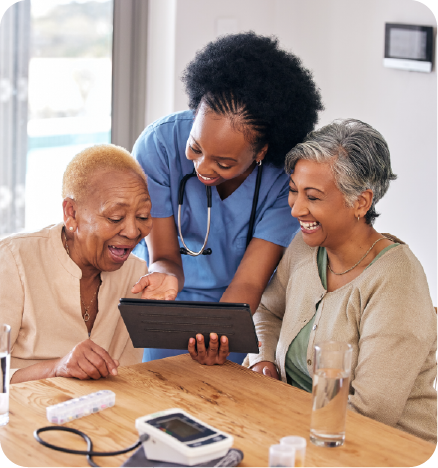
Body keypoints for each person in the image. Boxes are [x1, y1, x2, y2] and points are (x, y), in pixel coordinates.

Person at [132, 32, 324, 365]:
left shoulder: (285, 178)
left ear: (262, 151)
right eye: (195, 147)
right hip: (163, 300)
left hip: (235, 308)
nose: (203, 167)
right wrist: (162, 277)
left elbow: (250, 280)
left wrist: (218, 330)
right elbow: (163, 255)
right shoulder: (160, 144)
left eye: (224, 163)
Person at [246, 119, 438, 443]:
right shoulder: (305, 248)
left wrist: (279, 413)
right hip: (301, 432)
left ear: (360, 202)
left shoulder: (396, 280)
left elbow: (370, 411)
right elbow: (268, 310)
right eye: (294, 192)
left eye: (313, 197)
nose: (296, 209)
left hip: (384, 449)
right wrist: (264, 359)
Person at [0, 144, 160, 384]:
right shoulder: (13, 260)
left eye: (143, 216)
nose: (132, 231)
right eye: (115, 217)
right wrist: (56, 368)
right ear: (71, 213)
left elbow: (127, 376)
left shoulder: (136, 274)